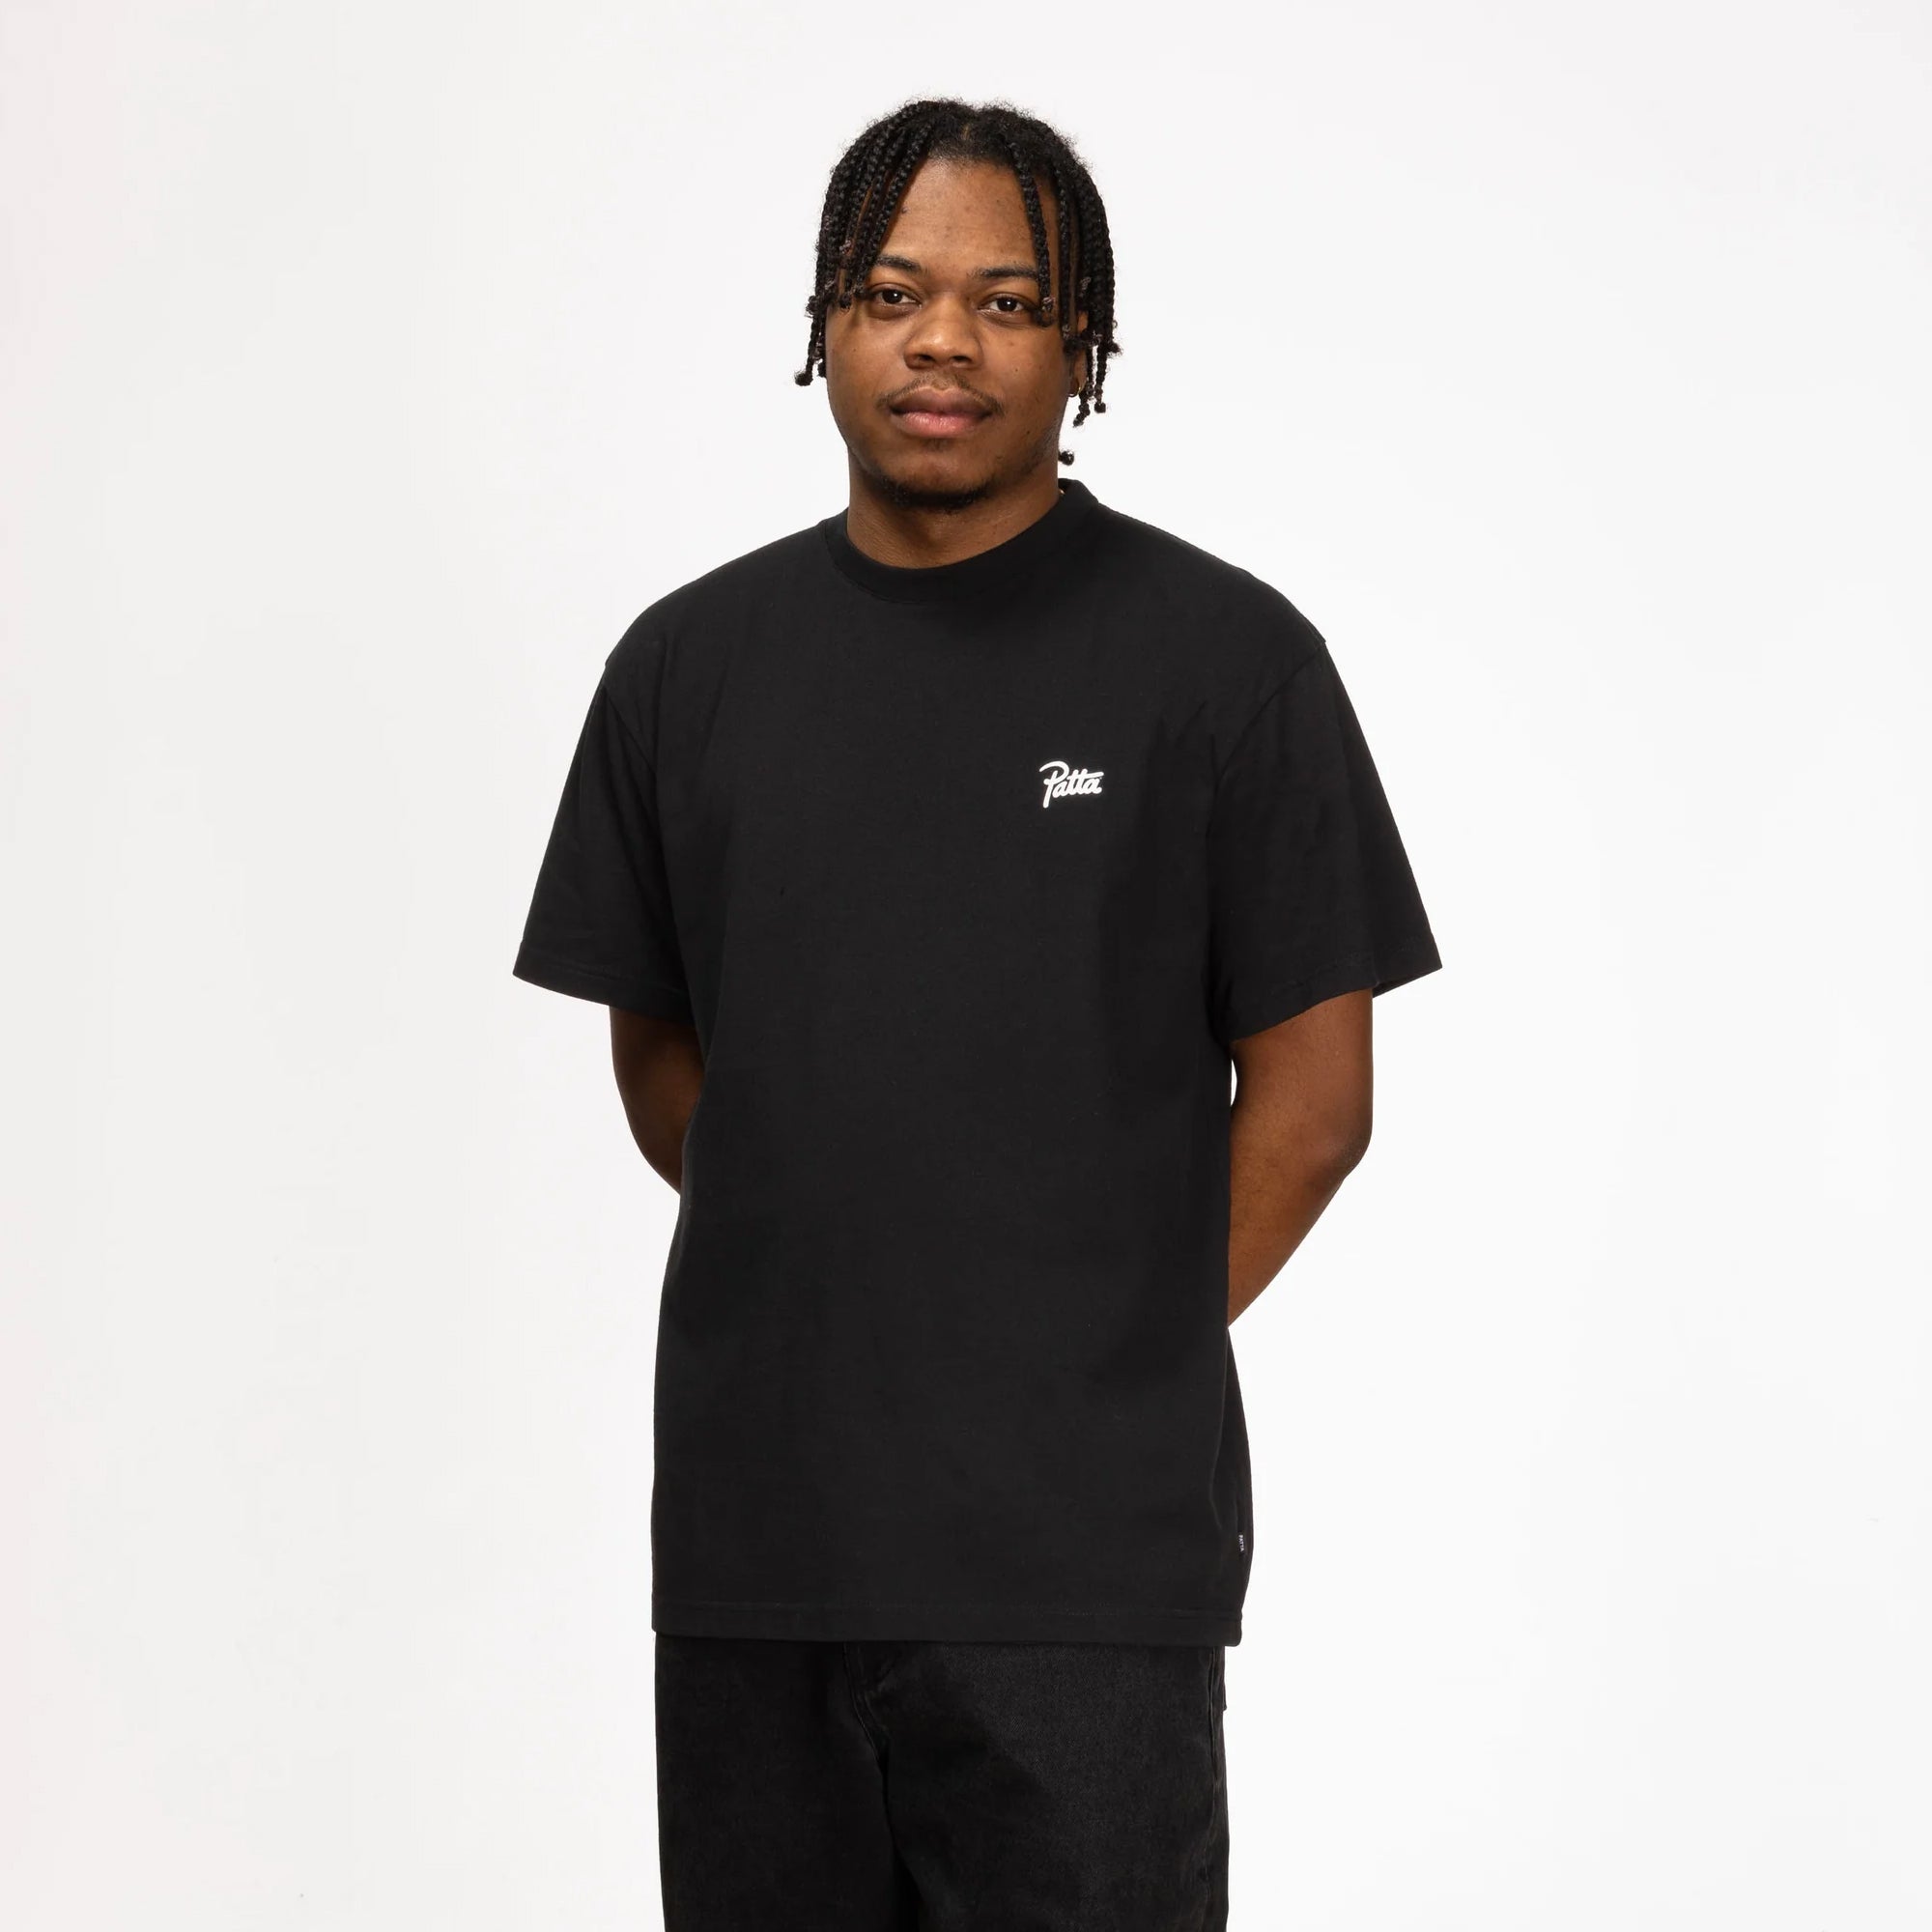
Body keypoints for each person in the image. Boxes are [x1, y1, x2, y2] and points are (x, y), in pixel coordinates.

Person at [512, 95, 1441, 1932]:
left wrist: (1082, 1356)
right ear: (825, 326)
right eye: (892, 292)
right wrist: (847, 1276)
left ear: (1083, 348)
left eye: (1008, 302)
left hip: (1080, 1575)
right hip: (759, 1548)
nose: (943, 339)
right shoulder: (686, 668)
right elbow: (668, 1057)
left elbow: (1319, 1100)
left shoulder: (1227, 662)